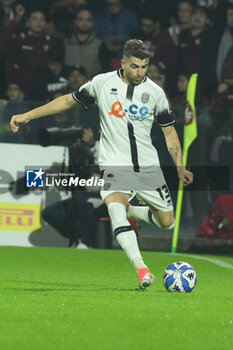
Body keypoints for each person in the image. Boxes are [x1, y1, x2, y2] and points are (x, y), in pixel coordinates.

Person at [10, 39, 193, 290]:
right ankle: (142, 269)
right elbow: (66, 101)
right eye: (135, 66)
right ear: (123, 63)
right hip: (115, 165)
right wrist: (28, 115)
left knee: (167, 221)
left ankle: (132, 212)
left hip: (149, 168)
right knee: (114, 205)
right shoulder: (102, 83)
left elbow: (170, 133)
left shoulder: (156, 94)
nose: (140, 72)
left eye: (145, 66)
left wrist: (179, 165)